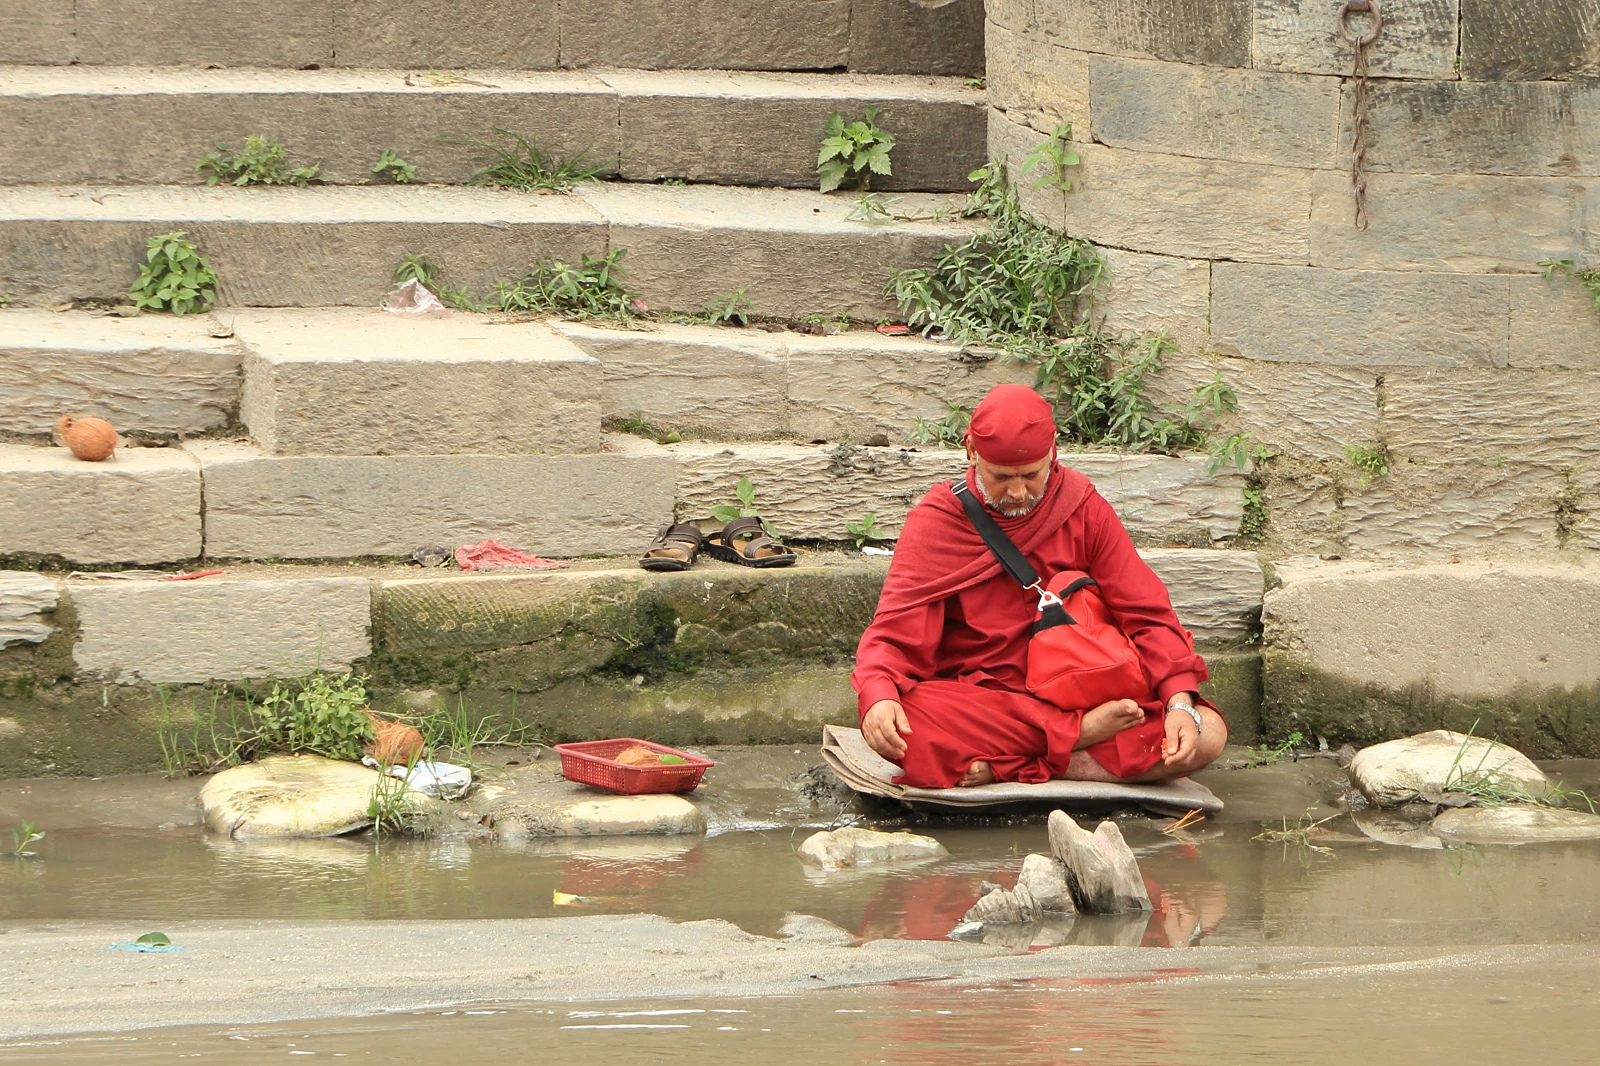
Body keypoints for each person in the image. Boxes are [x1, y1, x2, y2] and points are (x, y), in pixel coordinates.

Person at [851, 384, 1227, 788]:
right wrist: (880, 695)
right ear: (971, 452)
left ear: (1053, 454)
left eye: (1031, 475)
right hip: (988, 702)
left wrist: (1177, 700)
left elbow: (1146, 611)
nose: (1017, 493)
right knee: (902, 725)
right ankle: (1073, 739)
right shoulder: (937, 522)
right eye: (1000, 477)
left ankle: (1011, 764)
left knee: (1205, 733)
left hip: (1079, 689)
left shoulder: (1083, 507)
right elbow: (894, 633)